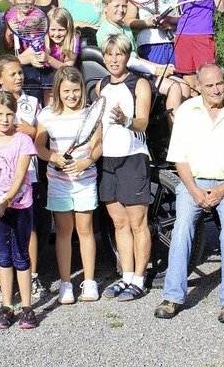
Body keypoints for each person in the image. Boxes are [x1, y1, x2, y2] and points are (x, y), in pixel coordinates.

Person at [155, 63, 224, 324]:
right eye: (209, 85)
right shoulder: (187, 112)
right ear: (198, 87)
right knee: (181, 229)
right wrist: (194, 190)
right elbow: (179, 159)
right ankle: (172, 297)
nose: (216, 89)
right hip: (194, 182)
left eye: (219, 84)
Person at [35, 66, 102, 303]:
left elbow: (97, 146)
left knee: (85, 231)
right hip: (59, 182)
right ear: (58, 91)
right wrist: (54, 158)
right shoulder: (46, 115)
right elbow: (40, 147)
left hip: (85, 181)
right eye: (66, 91)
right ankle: (65, 283)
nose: (71, 96)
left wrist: (86, 162)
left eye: (76, 90)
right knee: (64, 231)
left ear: (82, 90)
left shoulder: (90, 114)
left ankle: (90, 281)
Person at [95, 34, 152, 302]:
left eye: (118, 54)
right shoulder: (101, 86)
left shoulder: (139, 83)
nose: (113, 59)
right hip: (108, 160)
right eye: (109, 54)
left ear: (127, 56)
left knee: (138, 224)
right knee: (119, 223)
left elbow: (143, 123)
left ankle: (139, 279)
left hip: (133, 158)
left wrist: (125, 121)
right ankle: (126, 276)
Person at [0, 90, 39, 329]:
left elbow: (20, 177)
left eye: (9, 114)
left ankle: (26, 307)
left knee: (21, 255)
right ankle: (6, 305)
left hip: (20, 205)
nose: (4, 119)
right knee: (3, 256)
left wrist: (6, 201)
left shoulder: (23, 141)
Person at [98, 0, 185, 124]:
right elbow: (127, 62)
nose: (121, 10)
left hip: (138, 70)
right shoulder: (106, 31)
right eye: (116, 6)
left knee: (184, 86)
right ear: (105, 7)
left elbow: (135, 57)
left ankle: (175, 131)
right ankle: (174, 139)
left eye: (124, 6)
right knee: (174, 87)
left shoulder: (125, 28)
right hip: (129, 77)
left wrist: (161, 67)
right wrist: (157, 70)